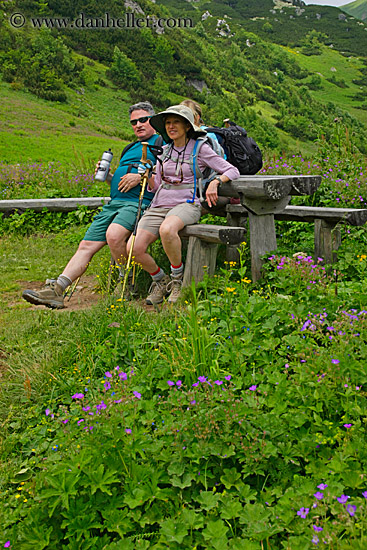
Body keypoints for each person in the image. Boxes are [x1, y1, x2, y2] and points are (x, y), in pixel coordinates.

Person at [22, 101, 161, 309]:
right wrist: (108, 177)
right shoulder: (129, 147)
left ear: (153, 120)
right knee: (86, 245)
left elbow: (165, 175)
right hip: (115, 202)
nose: (138, 125)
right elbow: (118, 182)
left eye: (143, 120)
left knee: (113, 235)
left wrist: (141, 176)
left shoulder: (162, 143)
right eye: (133, 122)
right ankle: (58, 289)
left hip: (138, 202)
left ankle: (128, 280)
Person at [126, 104, 240, 305]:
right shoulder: (164, 151)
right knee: (133, 247)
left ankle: (177, 280)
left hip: (188, 202)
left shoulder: (200, 148)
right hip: (160, 203)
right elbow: (156, 187)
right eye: (168, 123)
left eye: (176, 122)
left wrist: (215, 182)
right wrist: (148, 176)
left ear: (187, 126)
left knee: (168, 229)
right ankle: (161, 280)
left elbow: (232, 170)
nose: (171, 126)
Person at [180, 99, 231, 216]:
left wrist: (215, 181)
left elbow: (221, 162)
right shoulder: (182, 139)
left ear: (197, 117)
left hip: (204, 189)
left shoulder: (207, 137)